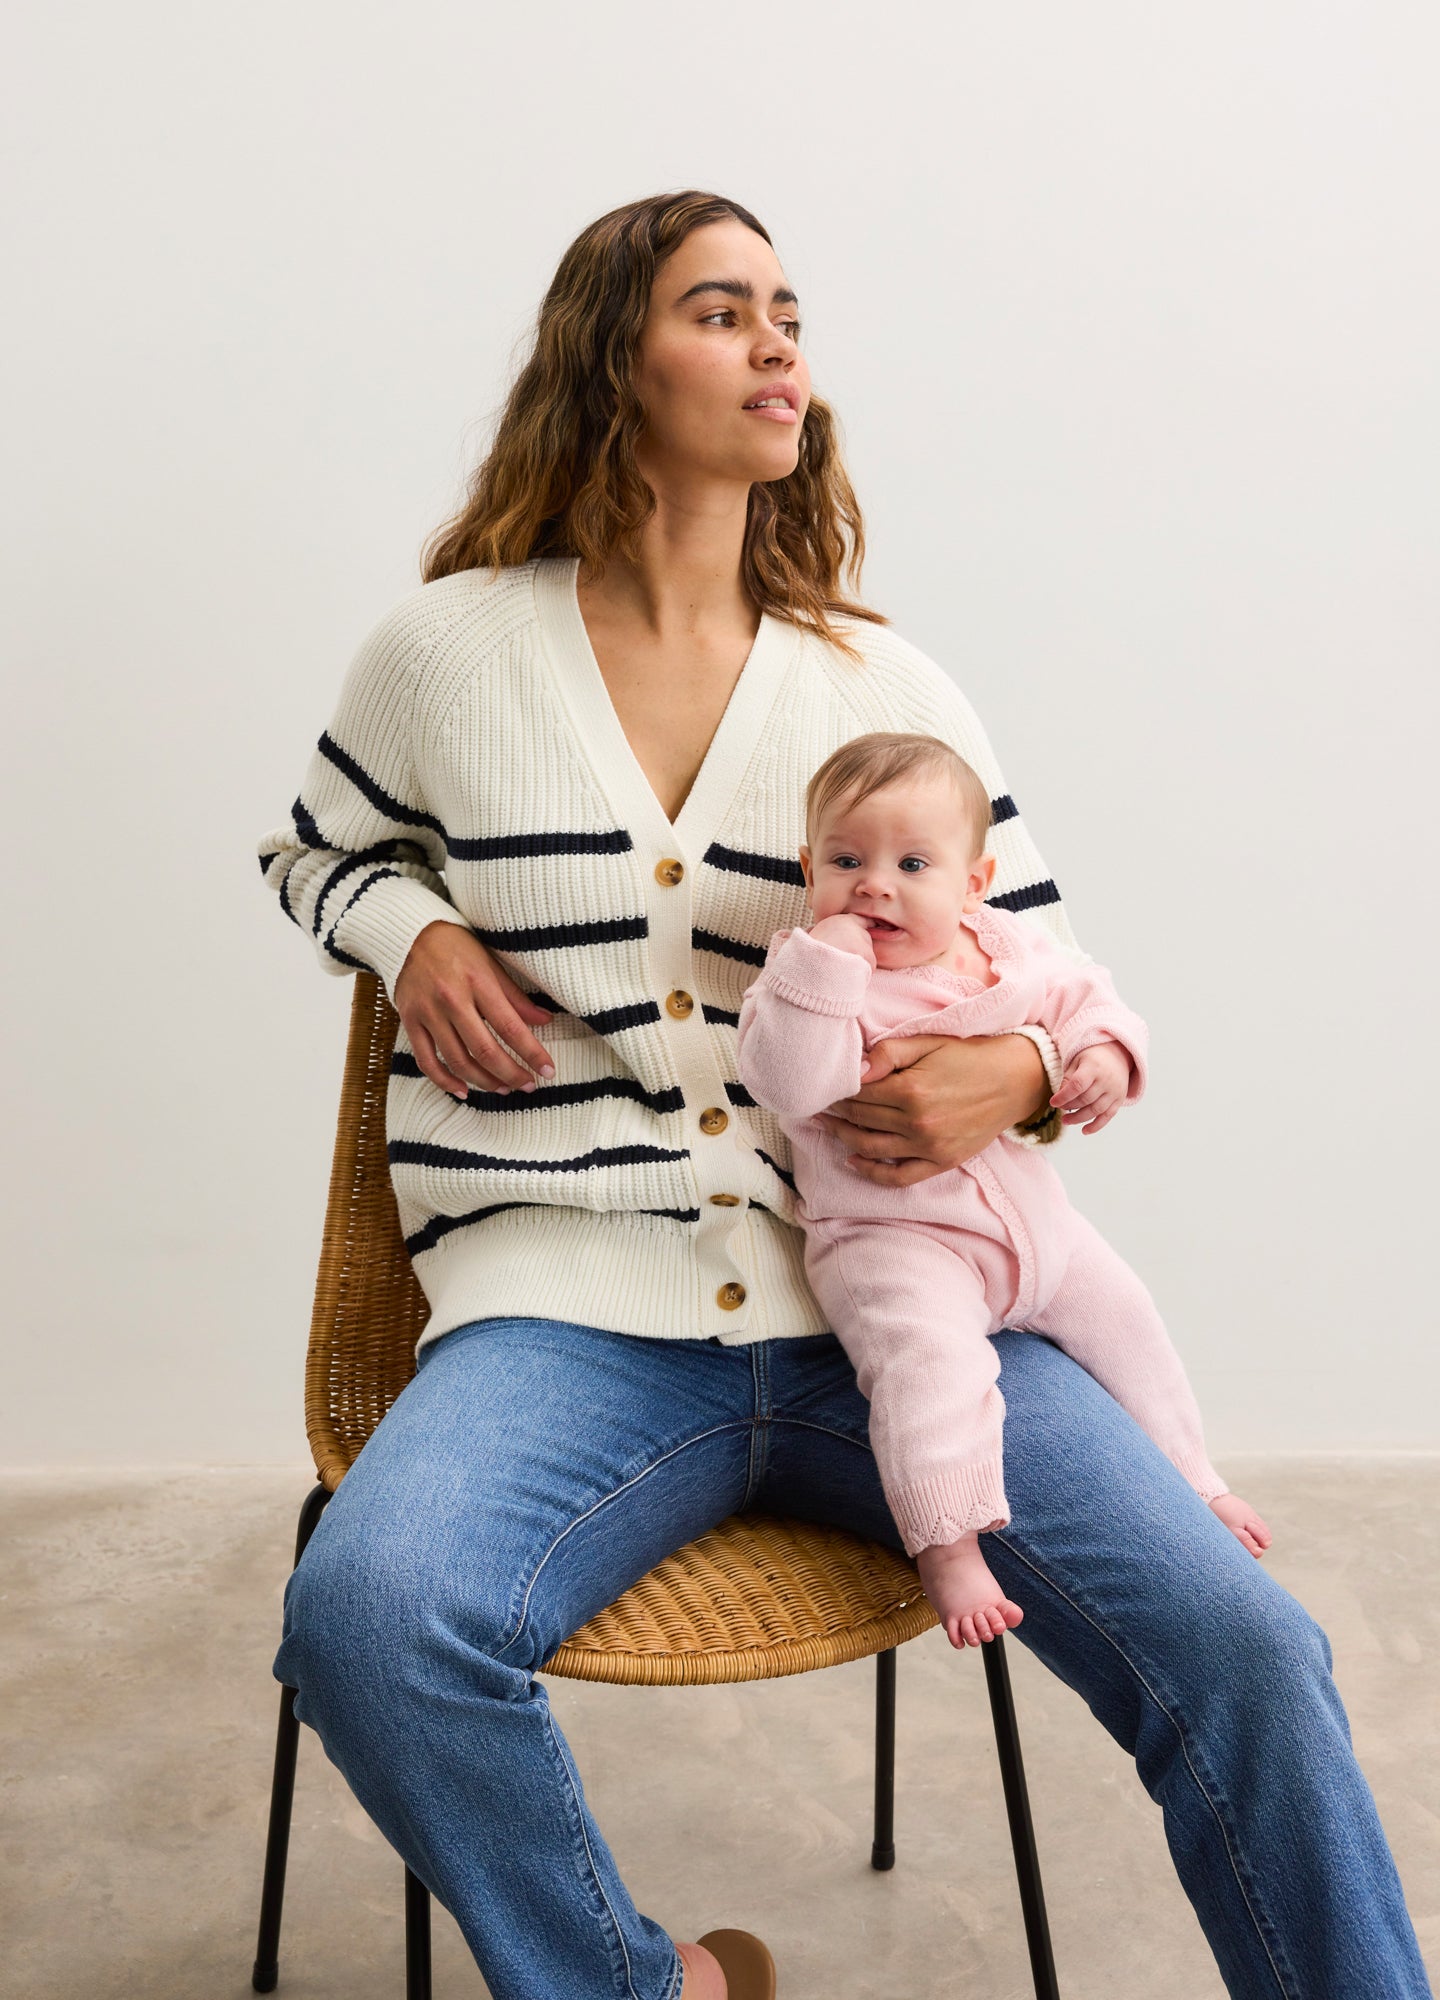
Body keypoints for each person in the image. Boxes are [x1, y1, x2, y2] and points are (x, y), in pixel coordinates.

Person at [256, 189, 1432, 1999]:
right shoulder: (447, 655)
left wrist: (1023, 1076)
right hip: (570, 1319)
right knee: (367, 1615)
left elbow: (1043, 963)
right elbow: (311, 854)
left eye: (788, 311)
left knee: (1246, 1645)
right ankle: (656, 1988)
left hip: (908, 1323)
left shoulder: (880, 683)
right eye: (723, 312)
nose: (780, 345)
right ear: (608, 363)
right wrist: (408, 926)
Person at [735, 729, 1274, 1651]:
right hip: (890, 1241)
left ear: (974, 883)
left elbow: (1087, 995)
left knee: (1127, 1317)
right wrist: (824, 965)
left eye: (912, 863)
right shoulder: (810, 979)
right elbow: (790, 1082)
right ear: (807, 868)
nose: (874, 884)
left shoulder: (1006, 949)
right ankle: (947, 1542)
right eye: (845, 860)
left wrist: (1101, 1052)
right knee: (932, 1376)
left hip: (1036, 1229)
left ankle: (1192, 1477)